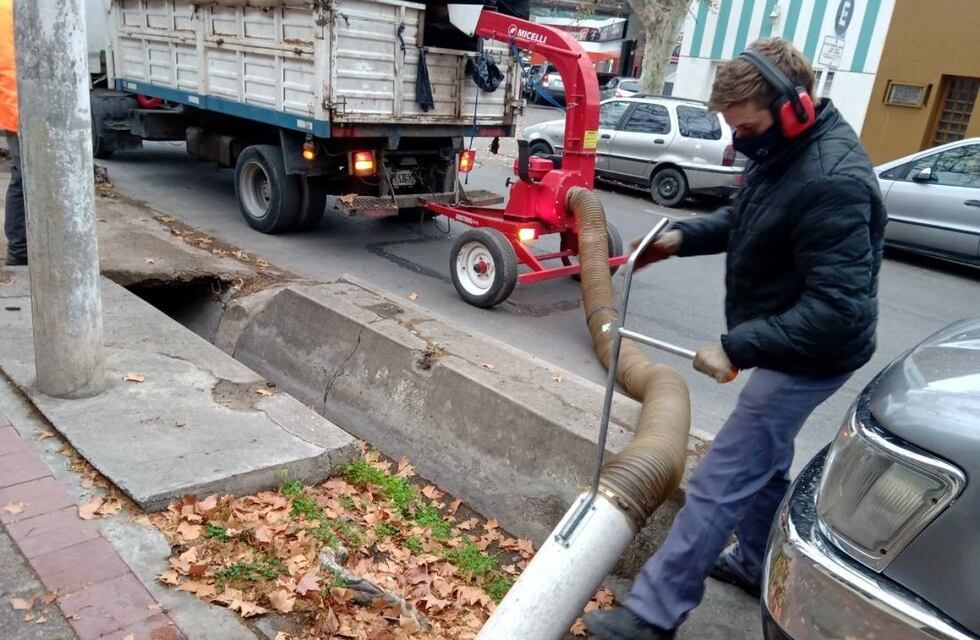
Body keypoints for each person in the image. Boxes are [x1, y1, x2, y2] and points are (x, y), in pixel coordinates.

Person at [585, 37, 887, 640]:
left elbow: (837, 311)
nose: (738, 137)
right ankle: (757, 562)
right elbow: (748, 216)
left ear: (795, 106)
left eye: (744, 125)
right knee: (766, 465)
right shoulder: (783, 152)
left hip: (812, 351)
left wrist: (739, 345)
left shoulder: (832, 180)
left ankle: (653, 615)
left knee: (723, 475)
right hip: (787, 331)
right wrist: (681, 238)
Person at [1, 0, 26, 266]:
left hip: (14, 107)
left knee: (21, 178)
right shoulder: (16, 9)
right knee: (25, 180)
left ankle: (20, 250)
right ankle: (20, 251)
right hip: (22, 108)